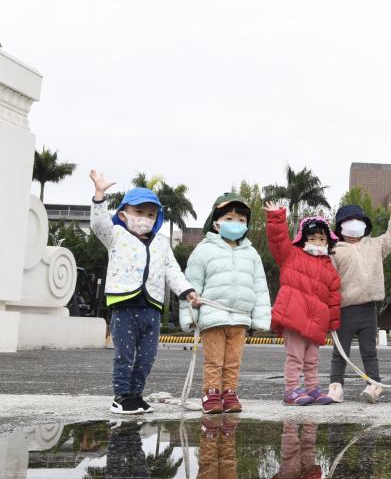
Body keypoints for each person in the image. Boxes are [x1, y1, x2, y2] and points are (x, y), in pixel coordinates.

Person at [89, 170, 199, 415]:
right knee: (124, 355)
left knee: (147, 357)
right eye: (138, 212)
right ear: (123, 215)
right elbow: (98, 224)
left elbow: (173, 270)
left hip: (152, 307)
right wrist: (99, 195)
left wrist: (187, 291)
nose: (145, 218)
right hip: (125, 304)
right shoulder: (115, 235)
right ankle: (121, 396)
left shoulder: (161, 242)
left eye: (151, 214)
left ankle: (136, 395)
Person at [179, 193, 272, 414]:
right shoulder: (203, 250)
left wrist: (260, 319)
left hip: (239, 317)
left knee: (233, 360)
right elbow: (190, 285)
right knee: (214, 360)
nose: (236, 224)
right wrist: (188, 316)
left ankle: (229, 393)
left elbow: (260, 287)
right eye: (230, 218)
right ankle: (211, 393)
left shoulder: (252, 254)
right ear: (216, 222)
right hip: (212, 316)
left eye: (241, 220)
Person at [265, 203, 341, 406]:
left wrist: (332, 324)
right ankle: (291, 390)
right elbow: (278, 240)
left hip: (316, 321)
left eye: (322, 238)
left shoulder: (329, 267)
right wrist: (276, 218)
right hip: (295, 316)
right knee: (295, 357)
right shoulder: (291, 255)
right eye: (312, 238)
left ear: (328, 242)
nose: (318, 242)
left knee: (312, 359)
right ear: (303, 240)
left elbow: (333, 297)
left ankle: (312, 388)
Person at [326, 196, 391, 404]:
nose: (354, 223)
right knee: (340, 352)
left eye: (358, 219)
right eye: (348, 220)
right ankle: (336, 386)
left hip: (369, 308)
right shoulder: (334, 250)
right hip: (345, 308)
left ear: (365, 224)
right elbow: (327, 281)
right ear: (340, 227)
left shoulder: (375, 245)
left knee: (370, 351)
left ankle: (374, 384)